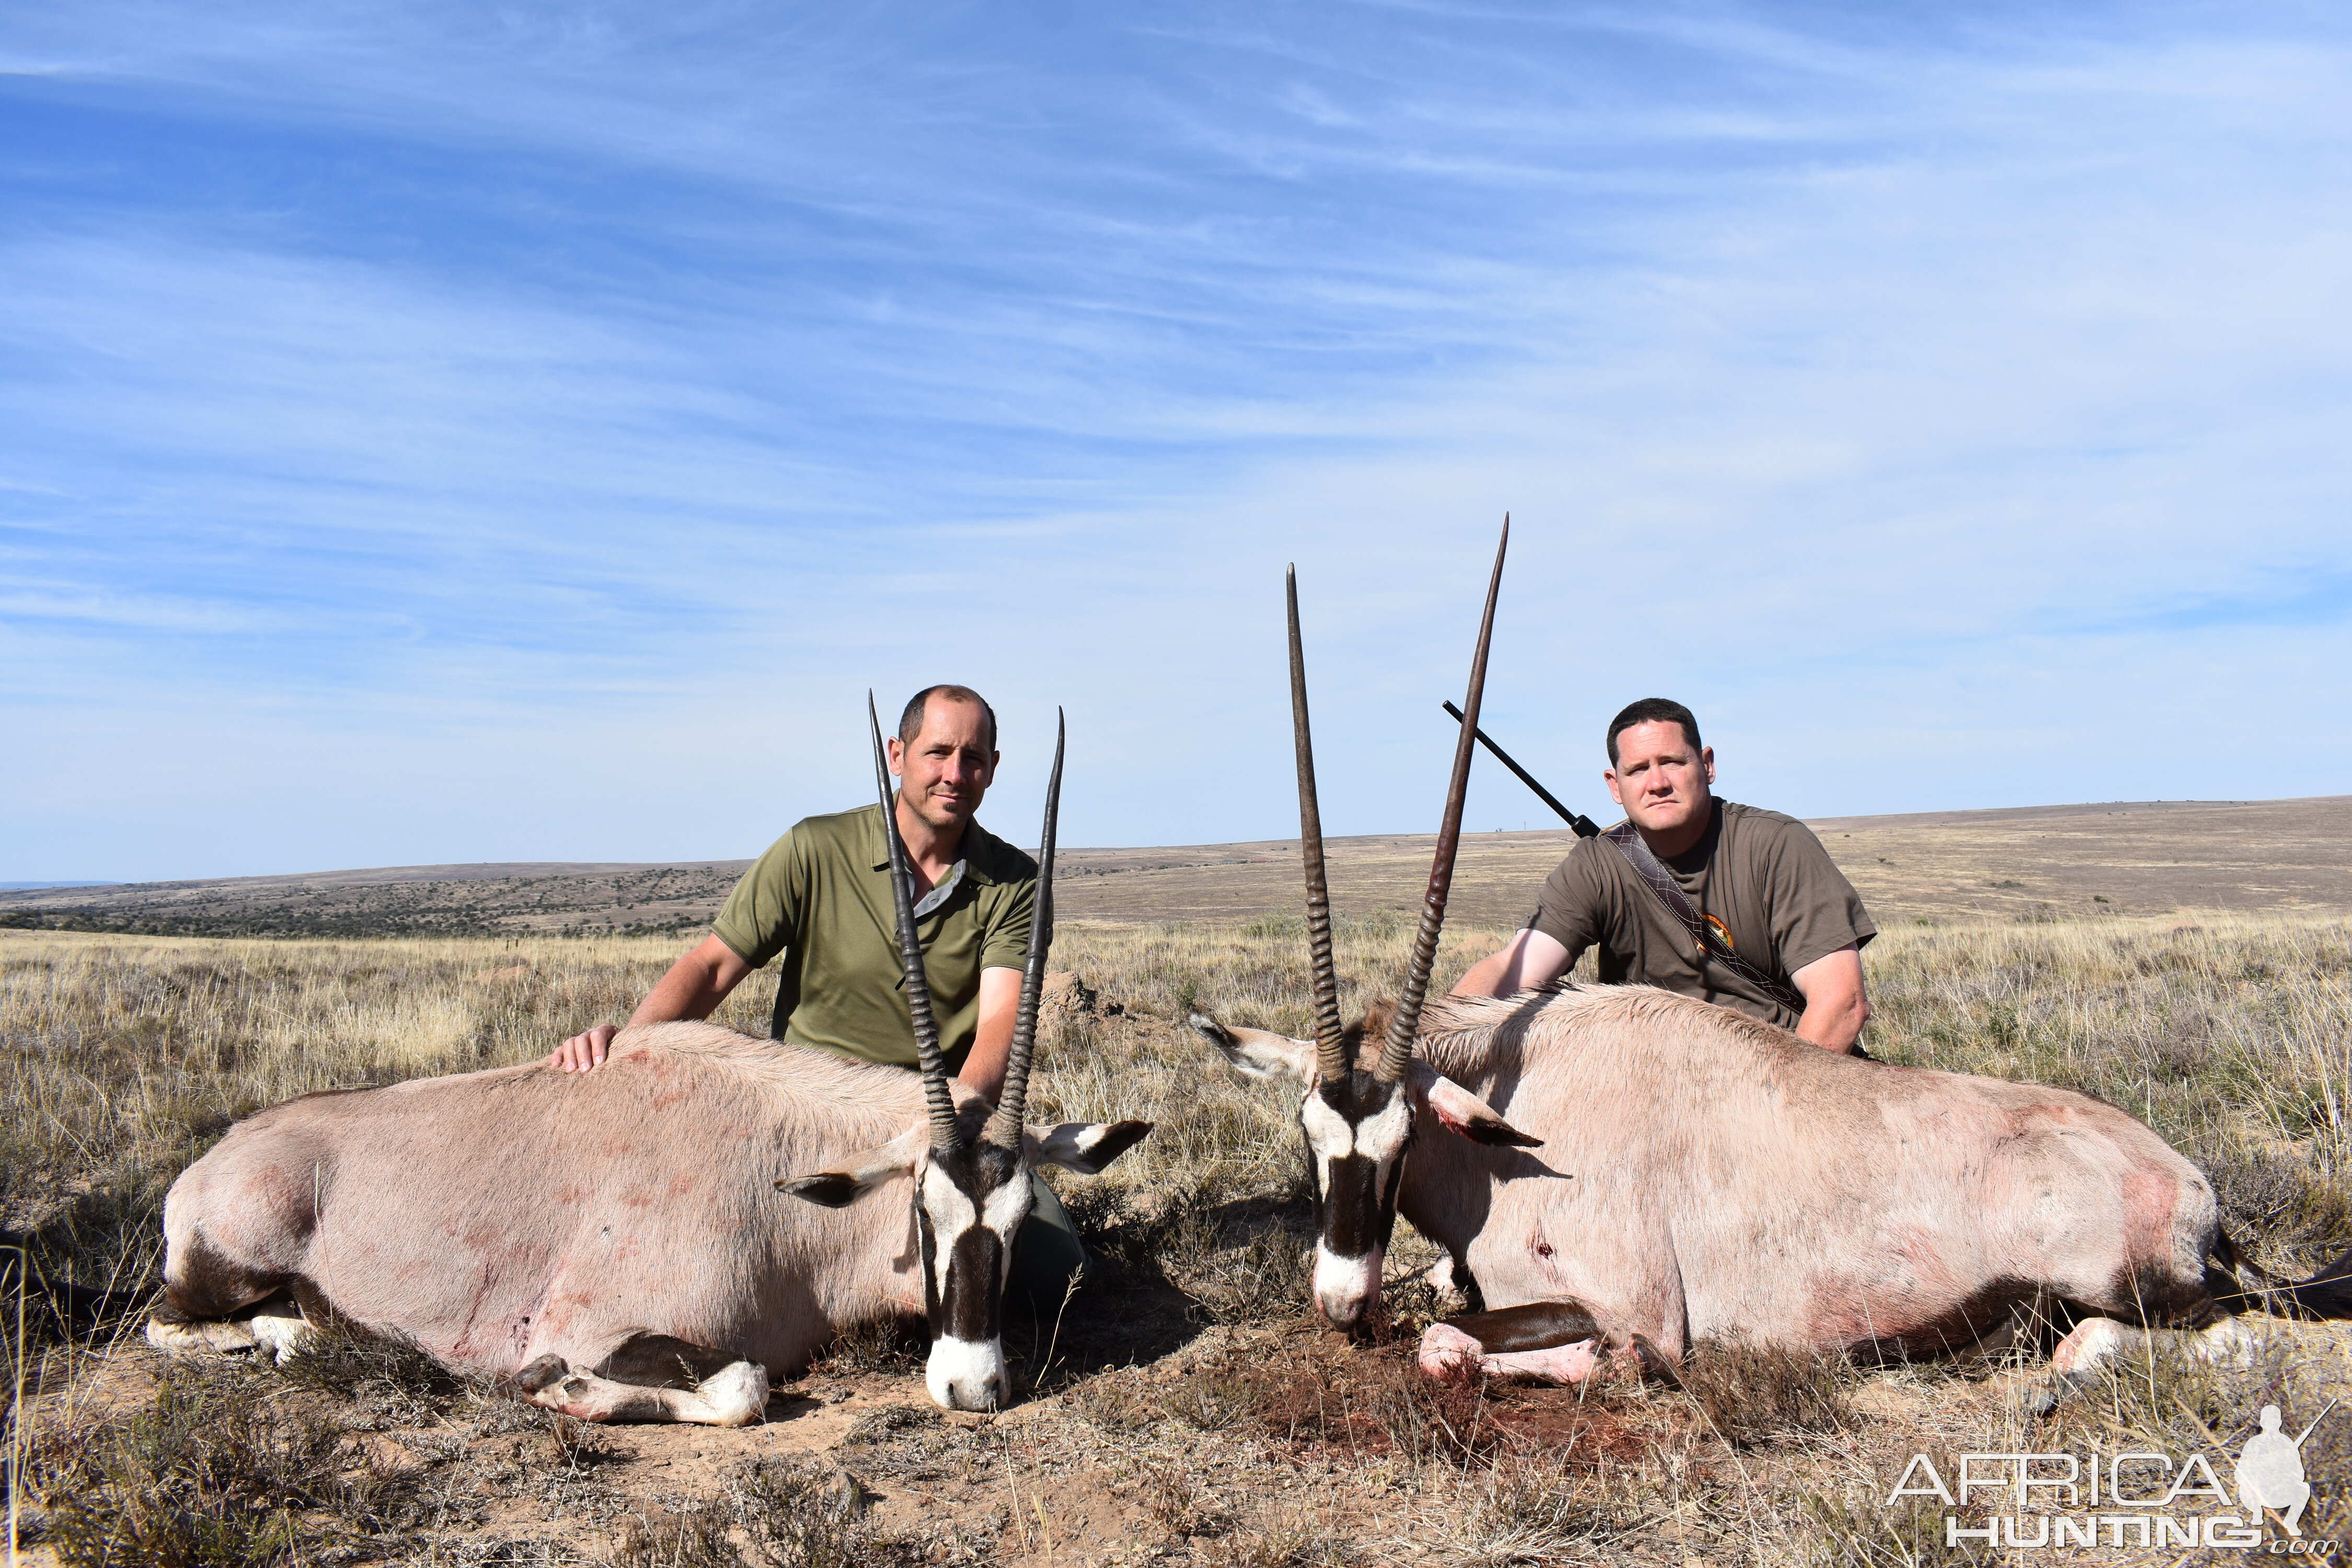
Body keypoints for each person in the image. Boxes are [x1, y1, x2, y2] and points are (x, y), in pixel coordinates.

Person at [547, 683, 1087, 1294]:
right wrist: (631, 1051)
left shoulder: (1014, 881)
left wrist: (950, 1133)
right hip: (803, 1121)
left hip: (934, 1126)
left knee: (1053, 1274)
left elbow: (1002, 1023)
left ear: (992, 768)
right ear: (897, 753)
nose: (955, 773)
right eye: (938, 752)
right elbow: (713, 967)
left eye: (973, 758)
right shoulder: (814, 849)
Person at [1450, 697, 1875, 1053]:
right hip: (1650, 1085)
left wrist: (1776, 1117)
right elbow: (1514, 968)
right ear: (1615, 786)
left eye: (1672, 762)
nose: (1657, 783)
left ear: (1706, 765)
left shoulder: (1777, 844)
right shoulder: (1595, 865)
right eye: (1637, 770)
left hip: (1780, 1072)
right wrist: (1436, 1035)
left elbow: (1841, 1002)